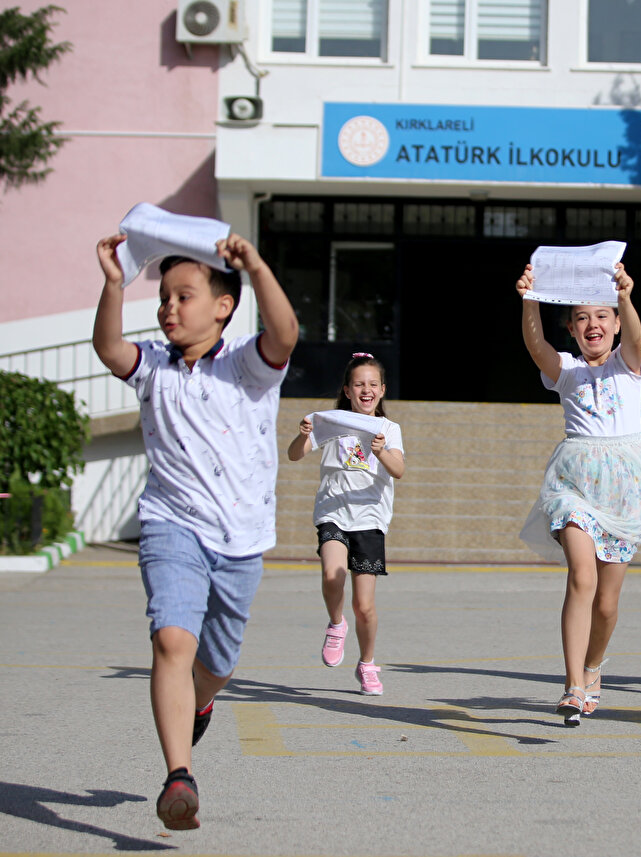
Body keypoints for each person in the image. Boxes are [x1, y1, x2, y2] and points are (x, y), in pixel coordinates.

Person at [92, 232, 298, 830]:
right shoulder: (153, 366)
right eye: (163, 298)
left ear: (223, 306)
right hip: (170, 525)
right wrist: (113, 283)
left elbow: (284, 335)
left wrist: (257, 264)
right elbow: (109, 347)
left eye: (185, 296)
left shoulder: (246, 366)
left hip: (240, 538)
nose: (169, 308)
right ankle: (178, 775)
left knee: (217, 663)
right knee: (171, 643)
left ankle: (203, 699)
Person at [515, 261, 641, 726]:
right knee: (582, 577)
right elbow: (536, 347)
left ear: (614, 323)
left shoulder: (631, 364)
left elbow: (635, 338)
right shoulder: (567, 371)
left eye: (601, 316)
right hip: (574, 484)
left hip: (625, 490)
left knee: (608, 603)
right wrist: (530, 298)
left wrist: (626, 296)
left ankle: (594, 666)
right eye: (581, 318)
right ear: (572, 328)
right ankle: (574, 685)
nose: (592, 325)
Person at [286, 353, 406, 696]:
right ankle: (336, 625)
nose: (365, 390)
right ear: (347, 390)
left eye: (372, 384)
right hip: (333, 511)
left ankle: (367, 663)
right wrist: (303, 434)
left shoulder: (388, 429)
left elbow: (398, 470)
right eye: (358, 385)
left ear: (382, 390)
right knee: (331, 573)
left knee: (364, 606)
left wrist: (381, 451)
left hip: (369, 518)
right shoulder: (330, 422)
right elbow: (295, 454)